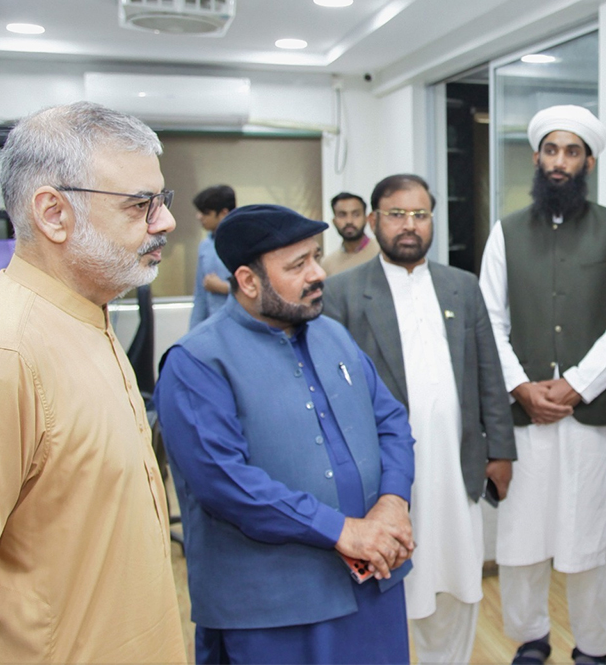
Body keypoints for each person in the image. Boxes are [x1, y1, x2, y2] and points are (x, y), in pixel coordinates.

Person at [0, 101, 186, 662]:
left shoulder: (89, 316)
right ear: (53, 213)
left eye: (162, 201)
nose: (164, 222)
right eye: (141, 205)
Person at [154, 204, 416, 665]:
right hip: (271, 612)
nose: (318, 274)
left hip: (371, 587)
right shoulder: (196, 362)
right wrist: (339, 530)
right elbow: (224, 482)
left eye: (316, 257)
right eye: (298, 265)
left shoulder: (333, 334)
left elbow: (391, 421)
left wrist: (393, 500)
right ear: (249, 280)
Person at [324, 174, 517, 664]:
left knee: (456, 580)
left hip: (457, 466)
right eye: (396, 215)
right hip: (386, 478)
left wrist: (500, 451)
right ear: (373, 221)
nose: (409, 226)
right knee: (392, 586)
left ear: (433, 220)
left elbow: (488, 373)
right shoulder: (343, 293)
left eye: (420, 215)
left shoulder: (462, 287)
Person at [479, 105, 606, 665]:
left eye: (572, 152)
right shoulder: (504, 233)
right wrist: (521, 386)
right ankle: (529, 638)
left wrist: (574, 385)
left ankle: (593, 648)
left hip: (587, 415)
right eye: (551, 150)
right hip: (524, 413)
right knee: (522, 539)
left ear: (588, 162)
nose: (560, 162)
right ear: (536, 157)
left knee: (587, 541)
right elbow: (489, 321)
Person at [189, 184, 236, 328]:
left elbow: (260, 291)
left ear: (223, 213)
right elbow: (200, 296)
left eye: (205, 213)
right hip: (213, 327)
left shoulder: (244, 243)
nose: (199, 217)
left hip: (237, 326)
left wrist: (224, 287)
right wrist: (193, 332)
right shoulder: (205, 246)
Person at [321, 191, 380, 276]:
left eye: (356, 214)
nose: (349, 221)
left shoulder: (383, 252)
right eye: (342, 215)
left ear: (366, 218)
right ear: (334, 221)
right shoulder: (327, 264)